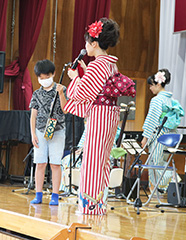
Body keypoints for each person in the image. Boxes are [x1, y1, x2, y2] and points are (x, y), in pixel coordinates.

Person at [65, 18, 121, 215]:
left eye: (87, 42)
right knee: (102, 161)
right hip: (109, 116)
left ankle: (90, 207)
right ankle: (98, 204)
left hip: (100, 117)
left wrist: (75, 79)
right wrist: (85, 75)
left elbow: (81, 94)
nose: (85, 46)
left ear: (94, 43)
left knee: (91, 162)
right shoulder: (110, 65)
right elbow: (97, 89)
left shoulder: (99, 65)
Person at [29, 59, 68, 205]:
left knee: (55, 164)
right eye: (41, 78)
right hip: (40, 131)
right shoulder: (36, 94)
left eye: (46, 77)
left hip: (57, 130)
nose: (44, 80)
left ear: (53, 74)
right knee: (40, 163)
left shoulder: (61, 89)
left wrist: (62, 94)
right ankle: (38, 194)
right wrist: (33, 134)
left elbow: (65, 110)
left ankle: (55, 195)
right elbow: (33, 115)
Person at [141, 69, 184, 193]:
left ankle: (173, 180)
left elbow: (152, 120)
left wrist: (145, 137)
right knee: (161, 161)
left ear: (158, 84)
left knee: (155, 162)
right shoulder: (172, 100)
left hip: (160, 135)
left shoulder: (157, 100)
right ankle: (160, 188)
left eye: (151, 85)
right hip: (171, 135)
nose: (150, 88)